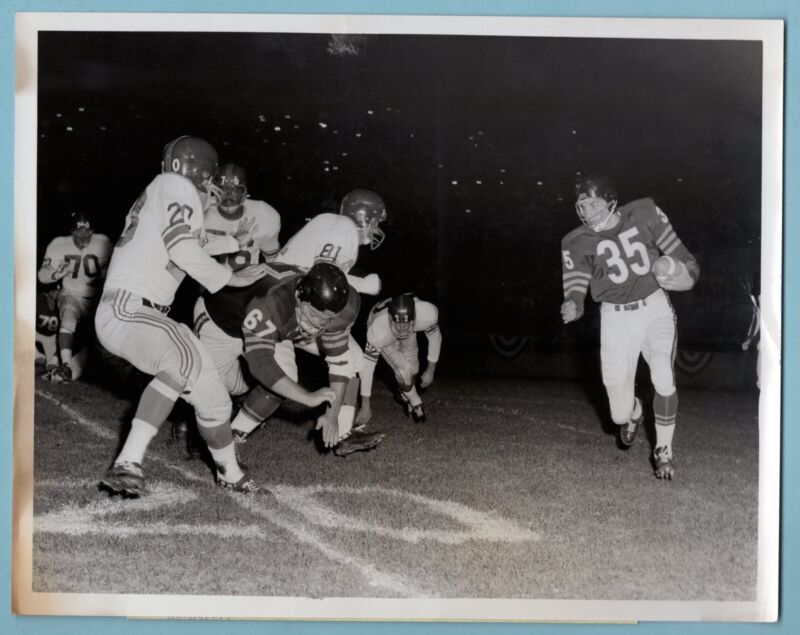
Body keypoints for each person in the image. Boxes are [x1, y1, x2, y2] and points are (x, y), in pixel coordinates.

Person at [96, 135, 268, 497]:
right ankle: (128, 462)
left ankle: (231, 474)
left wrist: (235, 241)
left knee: (215, 399)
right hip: (130, 307)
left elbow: (189, 243)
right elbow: (183, 248)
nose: (214, 187)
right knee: (182, 354)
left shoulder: (163, 190)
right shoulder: (176, 186)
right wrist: (230, 278)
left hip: (134, 310)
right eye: (211, 178)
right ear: (200, 172)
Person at [560, 175, 700, 480]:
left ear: (611, 201)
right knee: (618, 415)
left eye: (593, 203)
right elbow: (575, 286)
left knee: (662, 373)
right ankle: (635, 411)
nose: (587, 211)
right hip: (614, 318)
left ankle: (663, 449)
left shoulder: (644, 212)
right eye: (582, 204)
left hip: (653, 308)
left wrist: (685, 272)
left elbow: (683, 257)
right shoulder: (574, 241)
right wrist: (573, 304)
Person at [195, 262, 384, 456]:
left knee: (278, 381)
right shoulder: (275, 301)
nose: (317, 325)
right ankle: (188, 425)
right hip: (220, 323)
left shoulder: (332, 307)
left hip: (272, 330)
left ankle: (231, 437)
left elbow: (339, 362)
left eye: (326, 319)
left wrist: (332, 414)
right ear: (298, 297)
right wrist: (307, 397)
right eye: (313, 315)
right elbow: (262, 365)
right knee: (203, 392)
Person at [37, 212, 112, 382]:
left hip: (96, 300)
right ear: (71, 231)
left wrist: (106, 276)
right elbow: (42, 276)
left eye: (87, 233)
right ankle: (65, 365)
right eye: (78, 233)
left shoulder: (104, 243)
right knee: (69, 318)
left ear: (93, 231)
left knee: (98, 345)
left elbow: (116, 269)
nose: (83, 238)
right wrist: (57, 272)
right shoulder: (58, 245)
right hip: (71, 293)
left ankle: (67, 369)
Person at [276, 188, 387, 295]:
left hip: (282, 286)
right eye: (375, 222)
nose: (376, 228)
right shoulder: (345, 226)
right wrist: (362, 285)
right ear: (363, 218)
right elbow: (322, 274)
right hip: (282, 293)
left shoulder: (333, 222)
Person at [356, 293, 442, 426]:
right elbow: (367, 367)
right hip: (384, 331)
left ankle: (403, 391)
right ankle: (414, 401)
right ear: (390, 318)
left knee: (414, 369)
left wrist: (431, 370)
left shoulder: (425, 315)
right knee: (403, 370)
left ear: (414, 319)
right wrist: (365, 404)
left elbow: (435, 338)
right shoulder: (379, 329)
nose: (401, 330)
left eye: (405, 324)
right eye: (398, 324)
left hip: (402, 325)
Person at [204, 163, 281, 269]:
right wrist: (235, 241)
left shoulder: (264, 215)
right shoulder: (200, 210)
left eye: (236, 190)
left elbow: (273, 260)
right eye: (222, 189)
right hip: (209, 283)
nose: (228, 197)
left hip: (250, 282)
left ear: (245, 192)